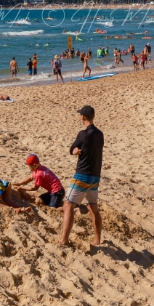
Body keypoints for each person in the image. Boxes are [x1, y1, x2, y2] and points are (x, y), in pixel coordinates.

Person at [60, 105, 103, 247]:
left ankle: (64, 240)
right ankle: (97, 241)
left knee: (68, 205)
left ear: (83, 117)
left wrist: (75, 151)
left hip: (82, 176)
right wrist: (77, 150)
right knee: (93, 208)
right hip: (95, 176)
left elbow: (72, 148)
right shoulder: (100, 134)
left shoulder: (83, 134)